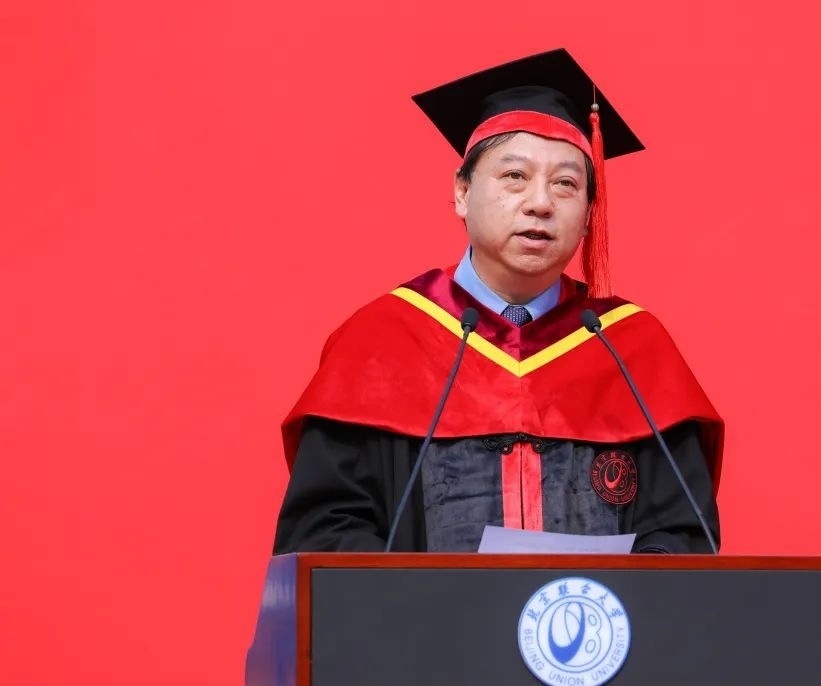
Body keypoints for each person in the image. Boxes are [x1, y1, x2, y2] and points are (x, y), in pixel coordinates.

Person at [271, 48, 725, 555]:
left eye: (566, 184)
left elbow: (682, 540)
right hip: (420, 612)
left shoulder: (631, 350)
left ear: (588, 213)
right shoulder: (381, 342)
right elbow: (325, 535)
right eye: (515, 176)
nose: (540, 203)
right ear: (462, 192)